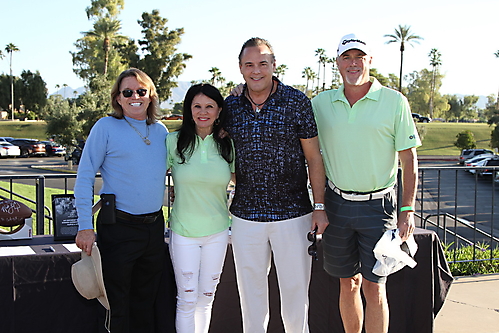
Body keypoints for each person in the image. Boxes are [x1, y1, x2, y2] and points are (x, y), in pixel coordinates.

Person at [311, 33, 421, 333]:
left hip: (379, 208)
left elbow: (408, 159)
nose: (353, 63)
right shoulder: (321, 103)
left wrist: (407, 208)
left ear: (369, 61)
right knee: (348, 284)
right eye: (346, 57)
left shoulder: (394, 101)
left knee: (374, 289)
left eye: (359, 57)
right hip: (336, 207)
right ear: (337, 63)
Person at [225, 37, 329, 333]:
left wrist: (319, 206)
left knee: (296, 300)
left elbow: (314, 158)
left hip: (293, 216)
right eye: (249, 64)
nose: (255, 70)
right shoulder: (229, 105)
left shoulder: (297, 102)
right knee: (251, 301)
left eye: (262, 63)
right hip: (245, 217)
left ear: (274, 65)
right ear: (240, 68)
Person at [74, 68, 169, 333]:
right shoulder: (105, 127)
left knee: (146, 303)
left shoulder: (160, 131)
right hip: (119, 229)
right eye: (128, 92)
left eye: (141, 91)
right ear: (118, 98)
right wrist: (84, 225)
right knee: (117, 305)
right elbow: (84, 177)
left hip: (153, 229)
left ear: (151, 96)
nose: (135, 97)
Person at [167, 83, 235, 333]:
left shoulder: (228, 145)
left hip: (217, 232)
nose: (203, 112)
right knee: (186, 300)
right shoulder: (173, 142)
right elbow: (151, 177)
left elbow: (242, 181)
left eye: (210, 106)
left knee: (206, 300)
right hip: (184, 232)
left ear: (219, 111)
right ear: (189, 110)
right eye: (197, 106)